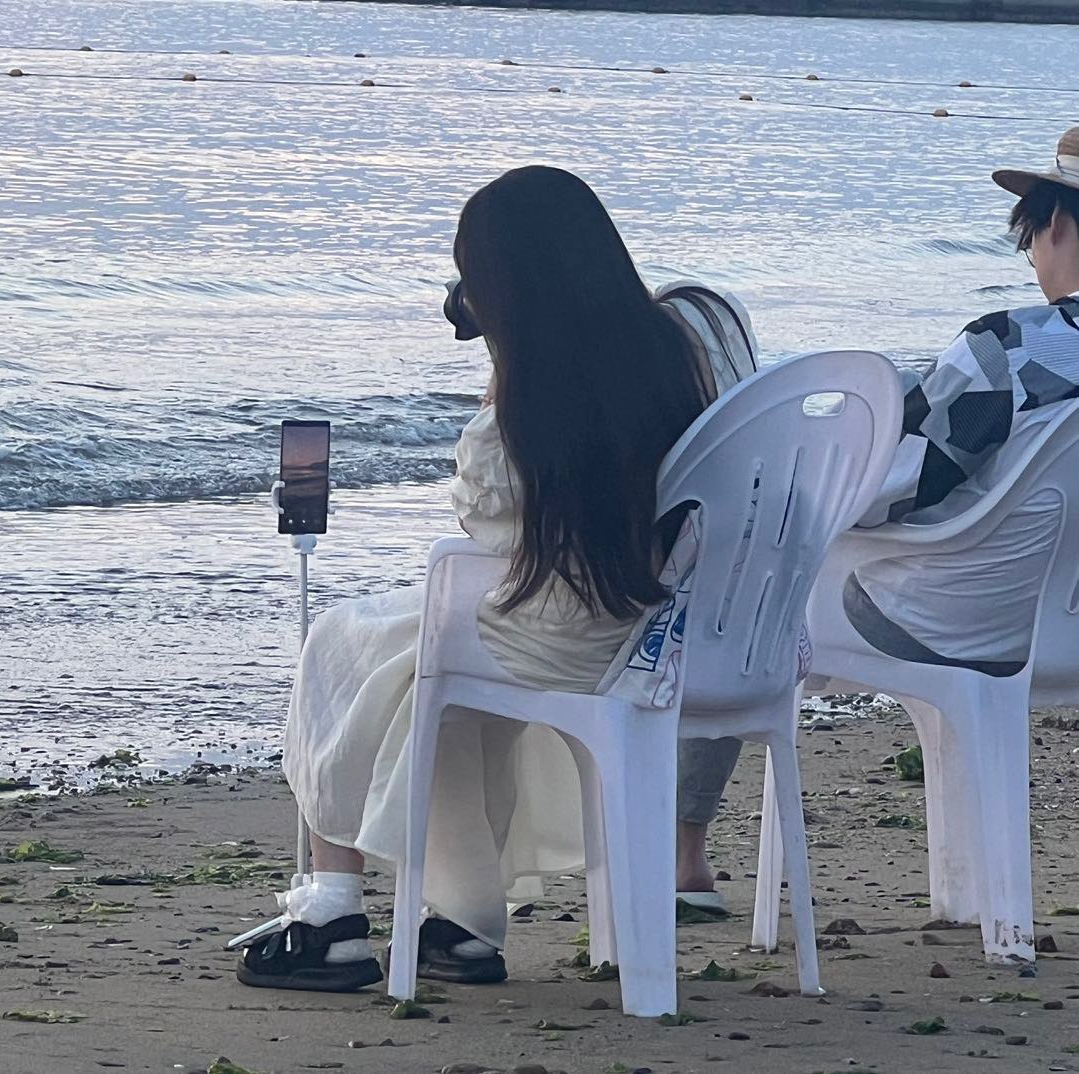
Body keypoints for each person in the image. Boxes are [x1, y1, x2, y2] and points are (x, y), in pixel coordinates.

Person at [236, 166, 757, 993]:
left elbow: (488, 526)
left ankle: (332, 907)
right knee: (432, 685)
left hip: (572, 647)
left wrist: (505, 367)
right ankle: (463, 924)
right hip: (685, 632)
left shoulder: (521, 416)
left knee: (343, 639)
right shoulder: (690, 344)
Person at [843, 127, 1079, 671]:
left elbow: (885, 489)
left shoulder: (1007, 348)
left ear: (1056, 223)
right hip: (1067, 627)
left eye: (1029, 242)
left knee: (792, 574)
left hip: (955, 626)